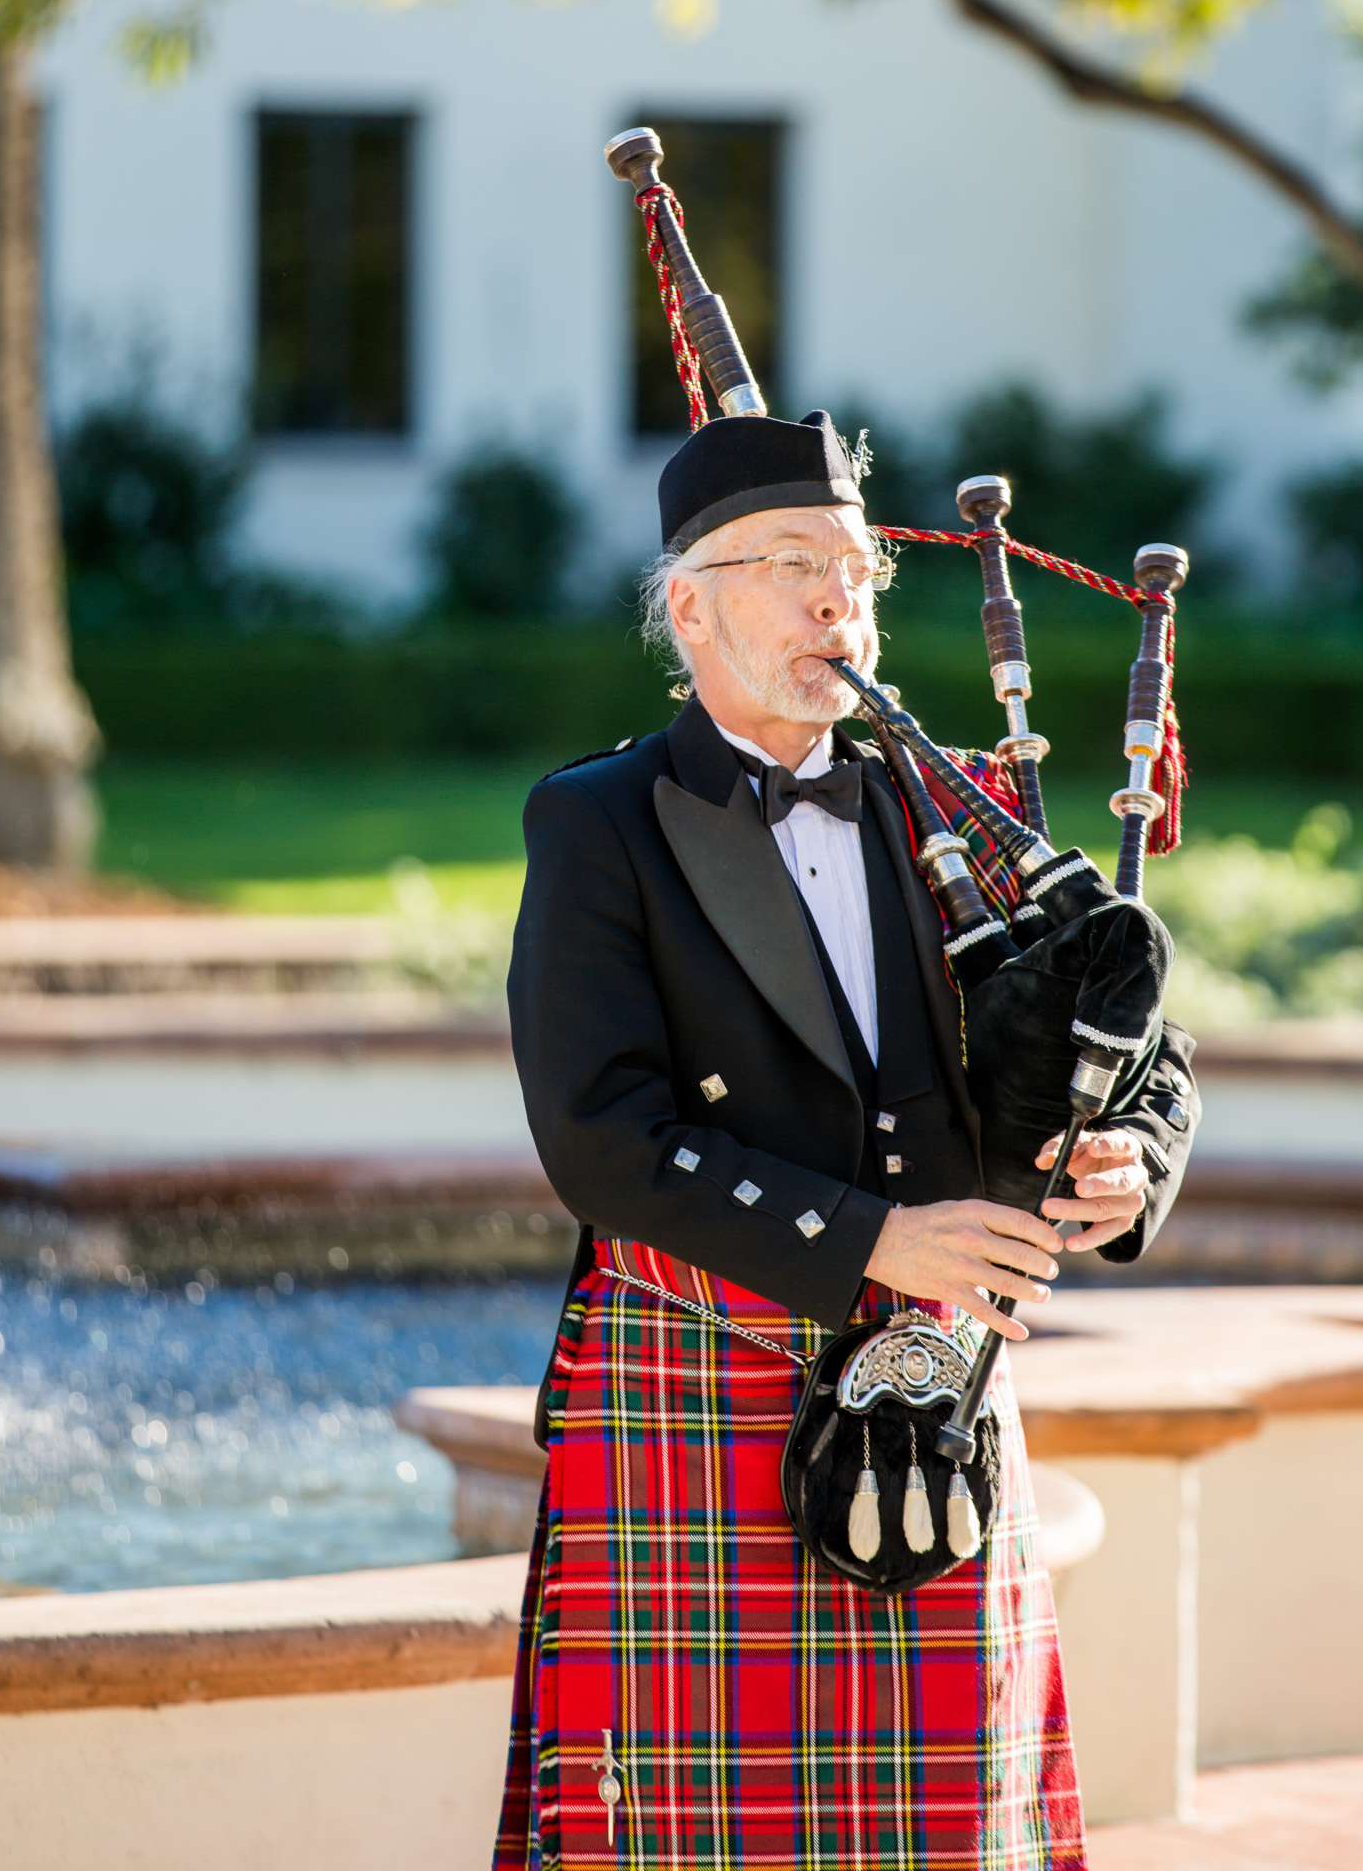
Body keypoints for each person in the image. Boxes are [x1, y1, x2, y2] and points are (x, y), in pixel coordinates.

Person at [492, 407, 1200, 1871]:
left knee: (953, 1832)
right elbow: (597, 1135)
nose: (841, 601)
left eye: (862, 570)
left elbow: (1141, 1050)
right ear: (690, 606)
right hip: (697, 1381)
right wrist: (874, 1236)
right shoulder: (601, 823)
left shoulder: (955, 807)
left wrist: (1130, 1166)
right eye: (797, 565)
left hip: (937, 1383)